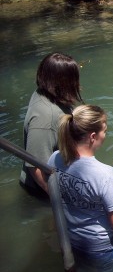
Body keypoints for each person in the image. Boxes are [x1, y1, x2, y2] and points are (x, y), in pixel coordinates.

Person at [47, 105, 113, 272]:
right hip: (102, 249)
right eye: (104, 130)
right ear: (93, 136)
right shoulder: (105, 174)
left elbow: (53, 194)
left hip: (71, 240)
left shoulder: (55, 158)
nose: (105, 134)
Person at [20, 52, 83, 197]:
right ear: (63, 82)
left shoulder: (43, 92)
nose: (78, 83)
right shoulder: (45, 119)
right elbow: (35, 166)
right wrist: (60, 200)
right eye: (74, 78)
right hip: (42, 189)